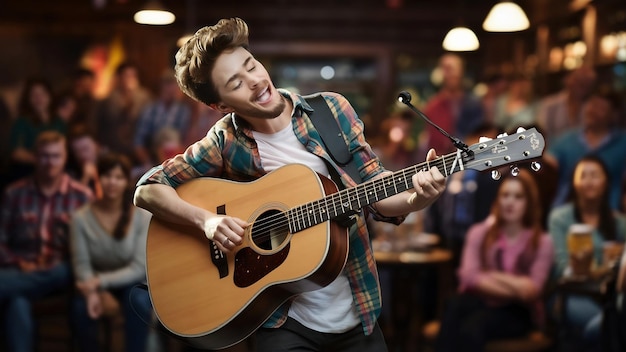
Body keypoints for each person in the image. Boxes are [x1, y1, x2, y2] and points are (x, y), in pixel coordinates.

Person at [133, 17, 446, 352]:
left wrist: (416, 198)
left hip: (357, 314)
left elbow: (374, 191)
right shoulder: (226, 141)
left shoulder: (331, 111)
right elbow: (147, 188)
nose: (254, 82)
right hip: (282, 324)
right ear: (220, 106)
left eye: (250, 65)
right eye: (236, 83)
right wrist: (207, 221)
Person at [435, 170, 554, 352]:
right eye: (505, 195)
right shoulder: (479, 232)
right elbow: (469, 277)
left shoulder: (542, 241)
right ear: (497, 199)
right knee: (453, 306)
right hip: (480, 301)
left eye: (518, 196)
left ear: (529, 201)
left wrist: (489, 275)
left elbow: (532, 290)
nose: (510, 202)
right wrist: (517, 284)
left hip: (518, 311)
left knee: (473, 327)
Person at [0, 131, 92, 352]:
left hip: (64, 272)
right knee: (17, 303)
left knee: (63, 270)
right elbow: (1, 241)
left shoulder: (82, 196)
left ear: (64, 157)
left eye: (55, 156)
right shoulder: (14, 193)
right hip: (21, 270)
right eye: (44, 156)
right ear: (35, 157)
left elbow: (92, 247)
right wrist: (19, 263)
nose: (49, 162)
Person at [70, 152, 153, 352]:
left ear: (126, 182)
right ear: (98, 178)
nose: (112, 182)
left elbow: (138, 267)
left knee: (139, 301)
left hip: (131, 282)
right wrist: (92, 292)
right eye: (107, 176)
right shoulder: (80, 218)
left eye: (119, 177)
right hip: (94, 282)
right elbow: (81, 265)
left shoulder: (142, 216)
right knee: (80, 309)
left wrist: (101, 282)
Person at [548, 155, 626, 350]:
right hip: (572, 295)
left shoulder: (619, 222)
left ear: (607, 182)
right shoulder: (560, 218)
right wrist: (602, 269)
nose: (589, 181)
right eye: (583, 175)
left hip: (609, 296)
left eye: (595, 175)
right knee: (605, 326)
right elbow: (563, 268)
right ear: (574, 182)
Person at [545, 89, 626, 210]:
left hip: (609, 213)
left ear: (613, 114)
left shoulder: (622, 142)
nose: (592, 111)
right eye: (591, 104)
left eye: (600, 108)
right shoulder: (567, 139)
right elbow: (547, 163)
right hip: (566, 210)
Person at [422, 53, 484, 155]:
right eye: (447, 69)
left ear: (462, 71)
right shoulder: (433, 106)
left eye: (455, 69)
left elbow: (480, 134)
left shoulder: (474, 103)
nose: (452, 74)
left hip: (471, 159)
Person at [8, 77, 67, 184]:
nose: (39, 98)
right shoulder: (22, 122)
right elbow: (16, 152)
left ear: (50, 96)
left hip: (57, 175)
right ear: (28, 99)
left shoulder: (59, 122)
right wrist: (43, 160)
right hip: (29, 175)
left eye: (43, 94)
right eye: (34, 95)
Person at [133, 69, 191, 170]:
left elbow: (187, 139)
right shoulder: (150, 110)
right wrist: (147, 163)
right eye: (168, 85)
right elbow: (139, 142)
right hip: (153, 159)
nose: (172, 89)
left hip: (178, 160)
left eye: (176, 86)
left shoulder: (184, 111)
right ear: (162, 87)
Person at [95, 62, 151, 163]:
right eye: (126, 76)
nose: (130, 79)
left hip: (138, 145)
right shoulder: (110, 99)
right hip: (114, 145)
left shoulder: (144, 97)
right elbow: (105, 123)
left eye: (133, 76)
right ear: (119, 78)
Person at [536, 66, 597, 144]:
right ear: (567, 80)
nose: (582, 85)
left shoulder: (593, 108)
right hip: (552, 151)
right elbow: (541, 133)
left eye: (587, 83)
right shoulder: (550, 104)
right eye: (578, 80)